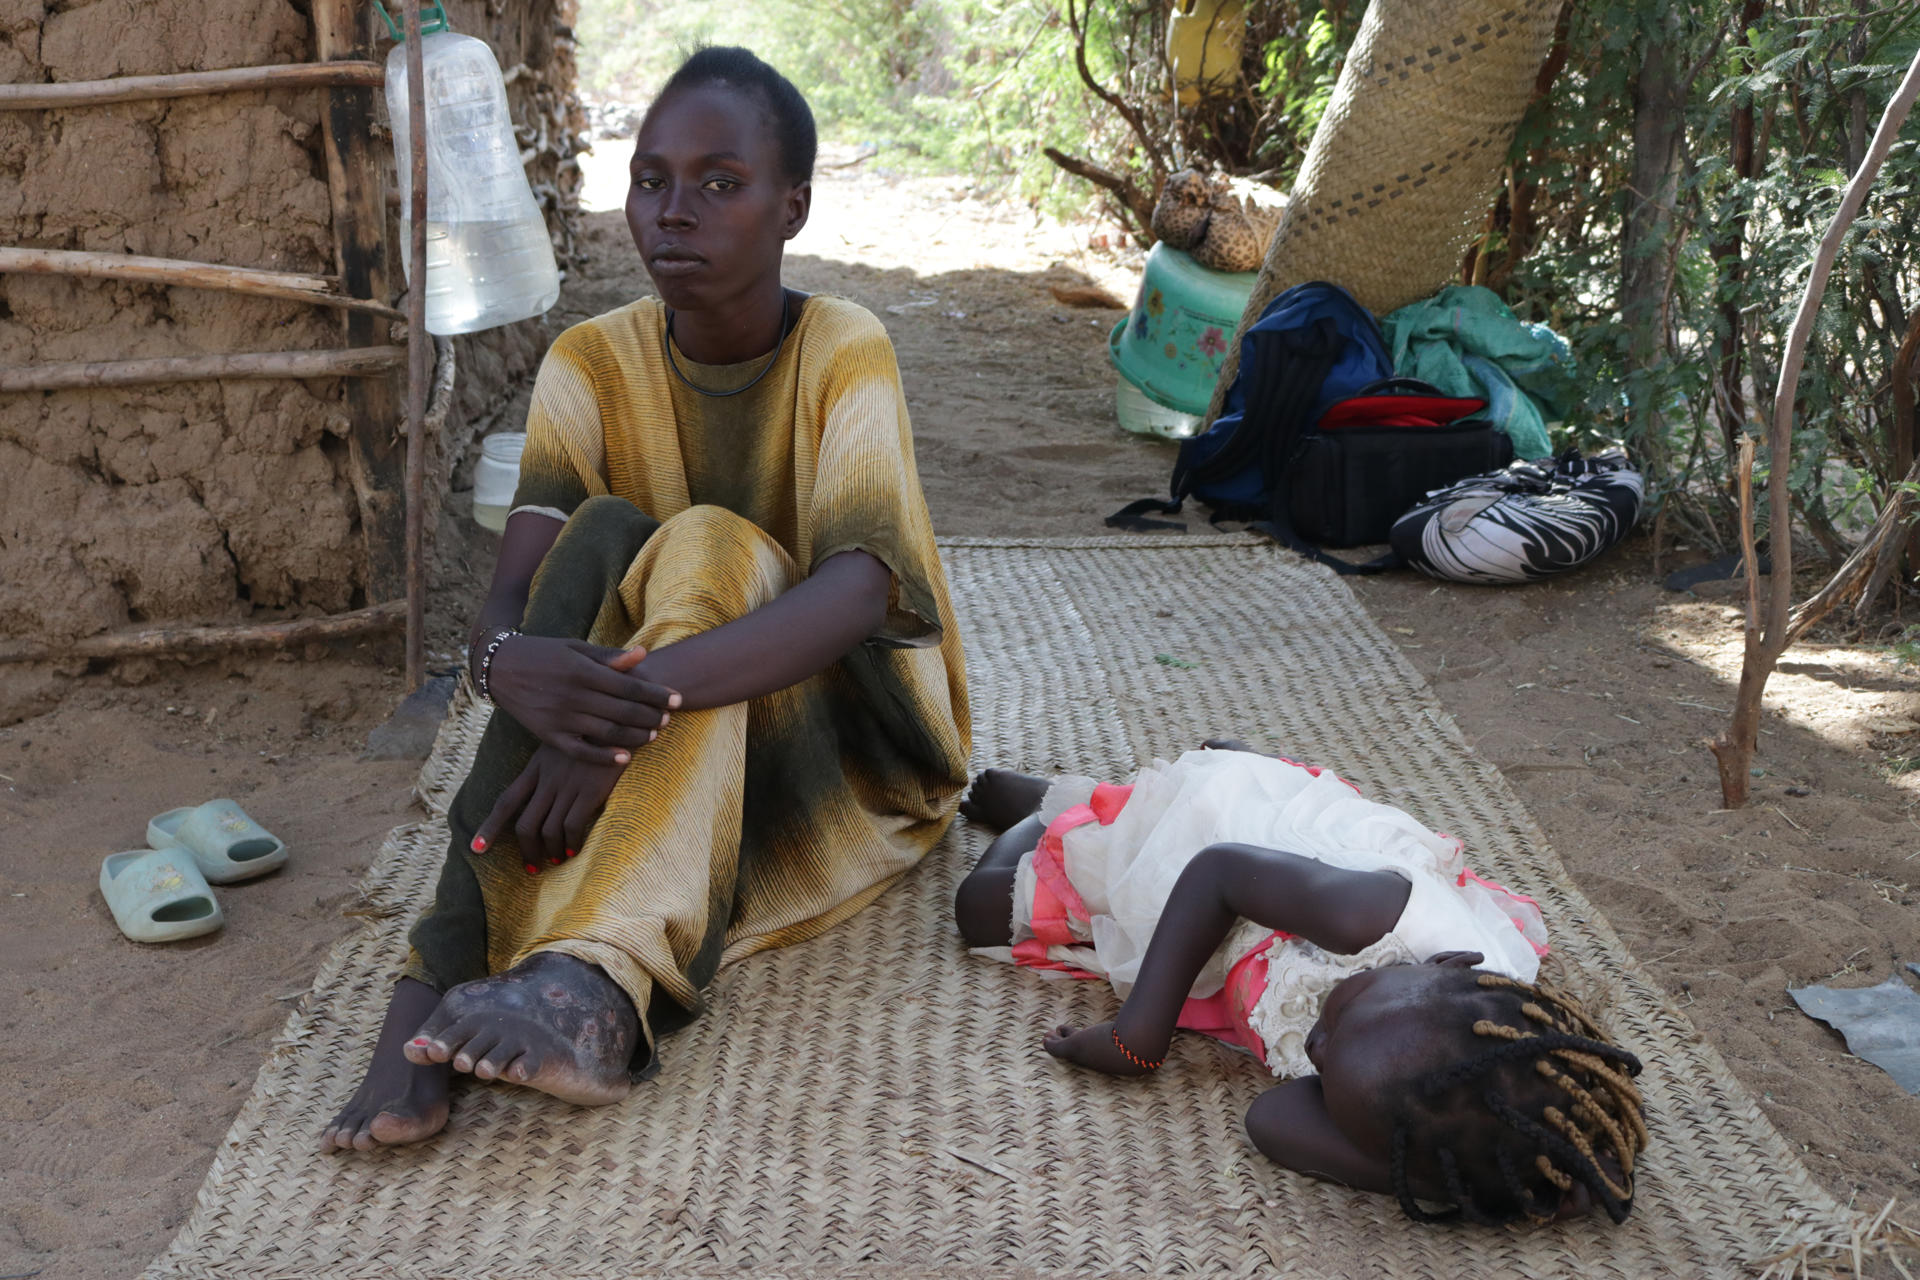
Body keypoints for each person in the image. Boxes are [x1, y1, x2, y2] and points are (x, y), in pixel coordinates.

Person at [323, 47, 970, 1152]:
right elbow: (515, 597)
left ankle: (594, 986)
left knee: (712, 540)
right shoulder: (588, 361)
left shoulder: (843, 348)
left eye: (721, 183)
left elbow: (861, 590)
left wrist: (624, 718)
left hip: (847, 740)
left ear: (792, 207)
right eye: (651, 180)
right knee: (600, 536)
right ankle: (436, 977)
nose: (675, 211)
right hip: (659, 719)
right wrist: (507, 667)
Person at [954, 741, 1647, 1225]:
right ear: (1440, 966)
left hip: (1270, 927)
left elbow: (1271, 1122)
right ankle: (1049, 812)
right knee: (983, 909)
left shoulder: (1442, 1073)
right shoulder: (1380, 919)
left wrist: (1469, 1183)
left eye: (1323, 1067)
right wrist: (1139, 1035)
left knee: (995, 905)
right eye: (1336, 1026)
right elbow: (1219, 870)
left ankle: (1093, 807)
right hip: (1234, 857)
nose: (1312, 1047)